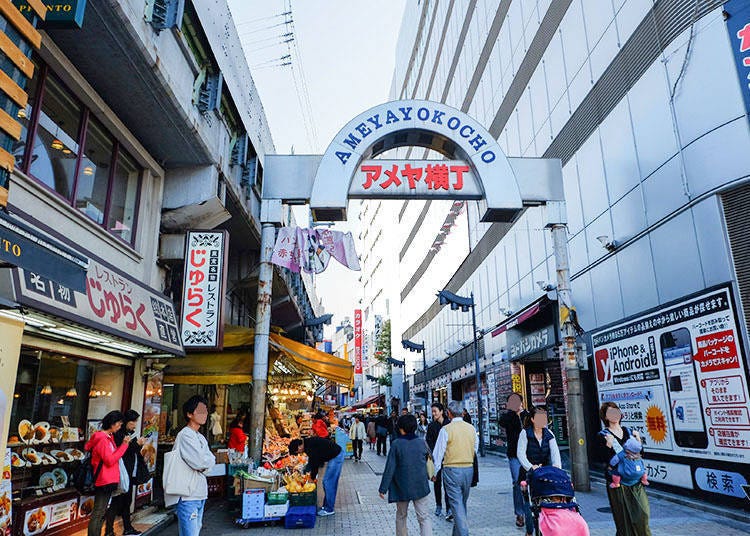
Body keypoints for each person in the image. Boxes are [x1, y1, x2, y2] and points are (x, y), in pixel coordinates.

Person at [164, 395, 217, 536]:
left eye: (205, 411)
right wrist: (204, 464)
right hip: (188, 495)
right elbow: (199, 462)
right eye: (200, 411)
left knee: (195, 531)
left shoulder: (200, 437)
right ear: (189, 414)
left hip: (200, 493)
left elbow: (211, 460)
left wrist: (205, 463)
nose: (204, 414)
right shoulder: (185, 435)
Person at [596, 401, 651, 536]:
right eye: (611, 412)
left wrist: (639, 441)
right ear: (605, 417)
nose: (615, 415)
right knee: (624, 521)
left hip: (635, 480)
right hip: (618, 483)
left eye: (616, 411)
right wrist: (608, 445)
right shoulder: (603, 435)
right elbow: (601, 459)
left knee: (642, 514)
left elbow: (640, 453)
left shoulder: (629, 431)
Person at [379, 414, 433, 536]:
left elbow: (390, 468)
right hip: (420, 485)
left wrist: (383, 488)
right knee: (424, 517)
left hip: (401, 486)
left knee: (401, 516)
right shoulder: (422, 443)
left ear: (400, 428)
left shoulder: (396, 444)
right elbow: (430, 460)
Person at [432, 401, 477, 536]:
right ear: (462, 413)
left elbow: (438, 454)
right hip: (468, 469)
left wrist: (434, 472)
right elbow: (475, 449)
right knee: (461, 504)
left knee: (457, 505)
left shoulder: (446, 430)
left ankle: (464, 533)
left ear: (449, 414)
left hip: (451, 470)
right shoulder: (471, 428)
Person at [85, 411, 132, 536]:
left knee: (101, 511)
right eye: (119, 423)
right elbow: (110, 460)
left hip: (108, 478)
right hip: (103, 479)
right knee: (99, 512)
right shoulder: (102, 439)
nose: (120, 426)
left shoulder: (108, 437)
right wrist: (124, 445)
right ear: (112, 423)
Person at [517, 406, 562, 536]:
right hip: (528, 473)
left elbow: (555, 455)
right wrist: (531, 467)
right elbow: (520, 454)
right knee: (528, 501)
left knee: (545, 500)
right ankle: (530, 530)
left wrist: (557, 470)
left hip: (545, 474)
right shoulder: (525, 433)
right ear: (532, 419)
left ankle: (546, 526)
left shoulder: (549, 434)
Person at [105, 410, 147, 536]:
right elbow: (122, 452)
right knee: (117, 501)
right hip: (121, 472)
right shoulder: (119, 435)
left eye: (135, 422)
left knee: (126, 500)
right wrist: (136, 445)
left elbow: (132, 451)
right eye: (132, 422)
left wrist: (139, 445)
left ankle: (127, 527)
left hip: (129, 471)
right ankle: (109, 531)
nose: (134, 425)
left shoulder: (131, 433)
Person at [289, 436, 343, 517]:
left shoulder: (310, 446)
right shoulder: (307, 443)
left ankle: (329, 509)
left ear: (299, 446)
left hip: (336, 456)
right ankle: (326, 506)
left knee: (328, 482)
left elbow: (315, 463)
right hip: (334, 455)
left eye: (298, 451)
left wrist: (312, 478)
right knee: (328, 482)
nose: (299, 453)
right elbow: (313, 461)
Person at [498, 393, 528, 528]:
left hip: (530, 455)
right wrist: (513, 413)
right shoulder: (508, 417)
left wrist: (522, 414)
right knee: (517, 482)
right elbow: (502, 422)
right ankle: (520, 513)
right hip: (514, 455)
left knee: (530, 483)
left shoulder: (528, 415)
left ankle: (531, 511)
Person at [426, 402, 450, 517]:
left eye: (435, 411)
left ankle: (449, 508)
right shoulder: (431, 426)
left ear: (441, 411)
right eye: (432, 411)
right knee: (437, 483)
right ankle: (438, 505)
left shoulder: (449, 425)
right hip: (436, 459)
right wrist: (432, 455)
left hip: (448, 459)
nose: (433, 413)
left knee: (447, 484)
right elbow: (428, 442)